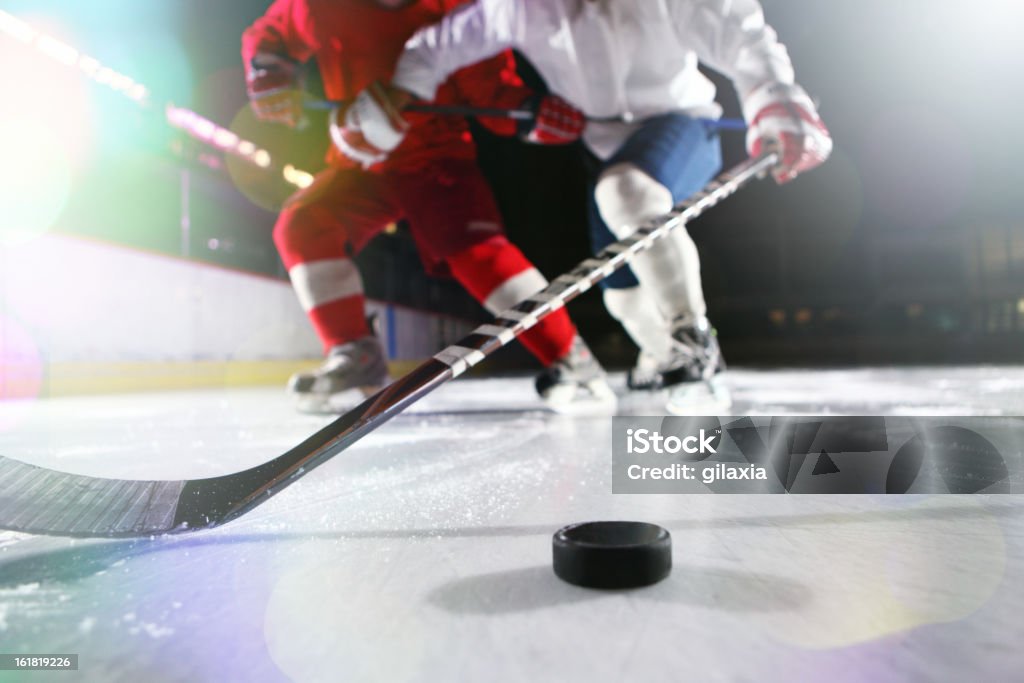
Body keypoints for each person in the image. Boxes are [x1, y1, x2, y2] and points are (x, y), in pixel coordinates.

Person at [340, 0, 833, 411]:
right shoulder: (517, 6)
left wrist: (773, 96)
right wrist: (399, 96)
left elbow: (738, 30)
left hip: (681, 122)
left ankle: (696, 347)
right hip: (604, 145)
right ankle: (665, 355)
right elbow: (436, 47)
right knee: (620, 293)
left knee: (625, 193)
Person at [242, 0, 613, 413]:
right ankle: (355, 356)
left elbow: (490, 89)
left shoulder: (455, 7)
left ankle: (572, 358)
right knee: (303, 225)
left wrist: (527, 113)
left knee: (481, 256)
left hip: (438, 160)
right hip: (360, 161)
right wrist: (268, 71)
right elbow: (271, 35)